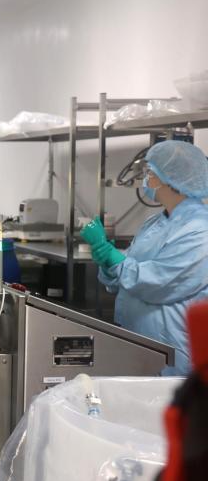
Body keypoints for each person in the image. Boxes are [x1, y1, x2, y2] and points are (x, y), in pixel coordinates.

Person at [80, 140, 208, 375]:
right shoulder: (155, 223)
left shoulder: (200, 231)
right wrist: (107, 261)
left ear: (170, 179)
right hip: (139, 342)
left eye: (150, 172)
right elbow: (127, 271)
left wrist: (112, 256)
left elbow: (159, 283)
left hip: (174, 349)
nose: (146, 179)